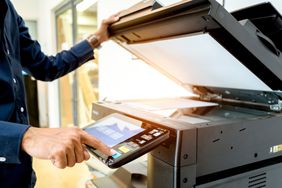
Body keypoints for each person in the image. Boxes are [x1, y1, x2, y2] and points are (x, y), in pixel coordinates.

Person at [0, 0, 119, 187]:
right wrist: (24, 136)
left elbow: (45, 67)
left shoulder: (9, 11)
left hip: (18, 171)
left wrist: (96, 39)